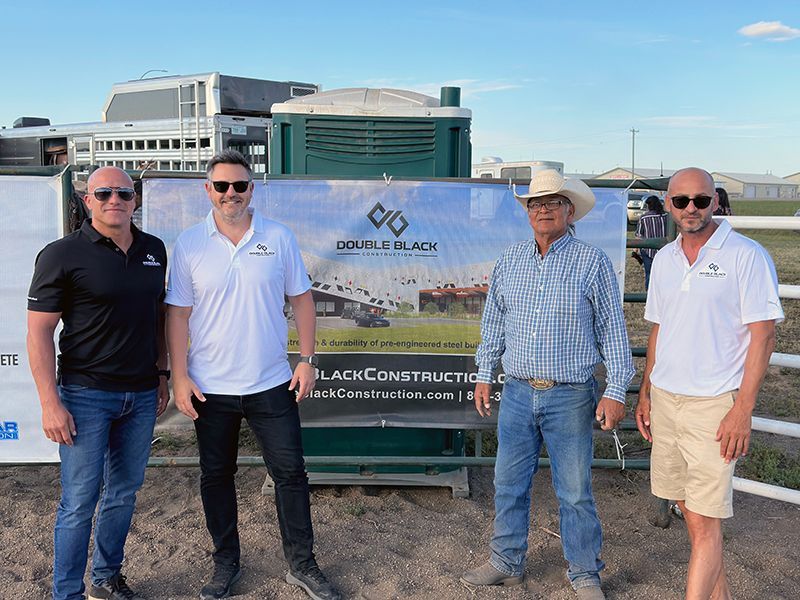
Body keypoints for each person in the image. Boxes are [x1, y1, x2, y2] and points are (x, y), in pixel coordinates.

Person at [165, 150, 340, 600]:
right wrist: (179, 377)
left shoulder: (278, 237)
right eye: (221, 186)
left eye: (239, 186)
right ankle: (225, 565)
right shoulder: (189, 243)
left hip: (270, 383)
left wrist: (306, 359)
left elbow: (301, 299)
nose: (230, 194)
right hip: (210, 388)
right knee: (215, 477)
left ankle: (302, 566)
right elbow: (178, 315)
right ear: (208, 190)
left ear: (251, 189)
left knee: (291, 475)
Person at [462, 169, 635, 600]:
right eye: (536, 204)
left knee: (575, 491)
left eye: (552, 203)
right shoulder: (510, 261)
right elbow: (494, 324)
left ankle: (584, 573)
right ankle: (506, 562)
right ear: (527, 213)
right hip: (518, 389)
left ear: (569, 211)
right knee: (508, 481)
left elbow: (613, 330)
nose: (542, 209)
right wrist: (485, 374)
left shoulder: (592, 262)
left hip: (571, 394)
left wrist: (616, 389)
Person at [635, 167, 783, 600]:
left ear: (715, 201)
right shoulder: (664, 260)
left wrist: (742, 410)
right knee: (691, 511)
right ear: (668, 205)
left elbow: (764, 335)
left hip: (714, 404)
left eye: (701, 200)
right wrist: (645, 394)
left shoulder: (745, 255)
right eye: (681, 201)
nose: (691, 209)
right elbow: (659, 329)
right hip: (666, 399)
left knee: (703, 521)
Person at [26, 166, 170, 600]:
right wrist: (50, 403)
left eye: (124, 193)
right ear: (87, 200)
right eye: (103, 193)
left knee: (123, 494)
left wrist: (161, 374)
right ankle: (66, 593)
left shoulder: (154, 250)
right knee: (79, 502)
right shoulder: (61, 254)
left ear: (135, 200)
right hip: (85, 395)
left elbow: (158, 318)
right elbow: (37, 334)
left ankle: (105, 580)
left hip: (142, 395)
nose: (115, 200)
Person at [635, 195, 668, 290]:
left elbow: (639, 234)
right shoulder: (665, 216)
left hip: (647, 250)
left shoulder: (644, 218)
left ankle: (649, 296)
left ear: (648, 205)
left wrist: (636, 249)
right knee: (663, 274)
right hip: (663, 249)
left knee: (649, 273)